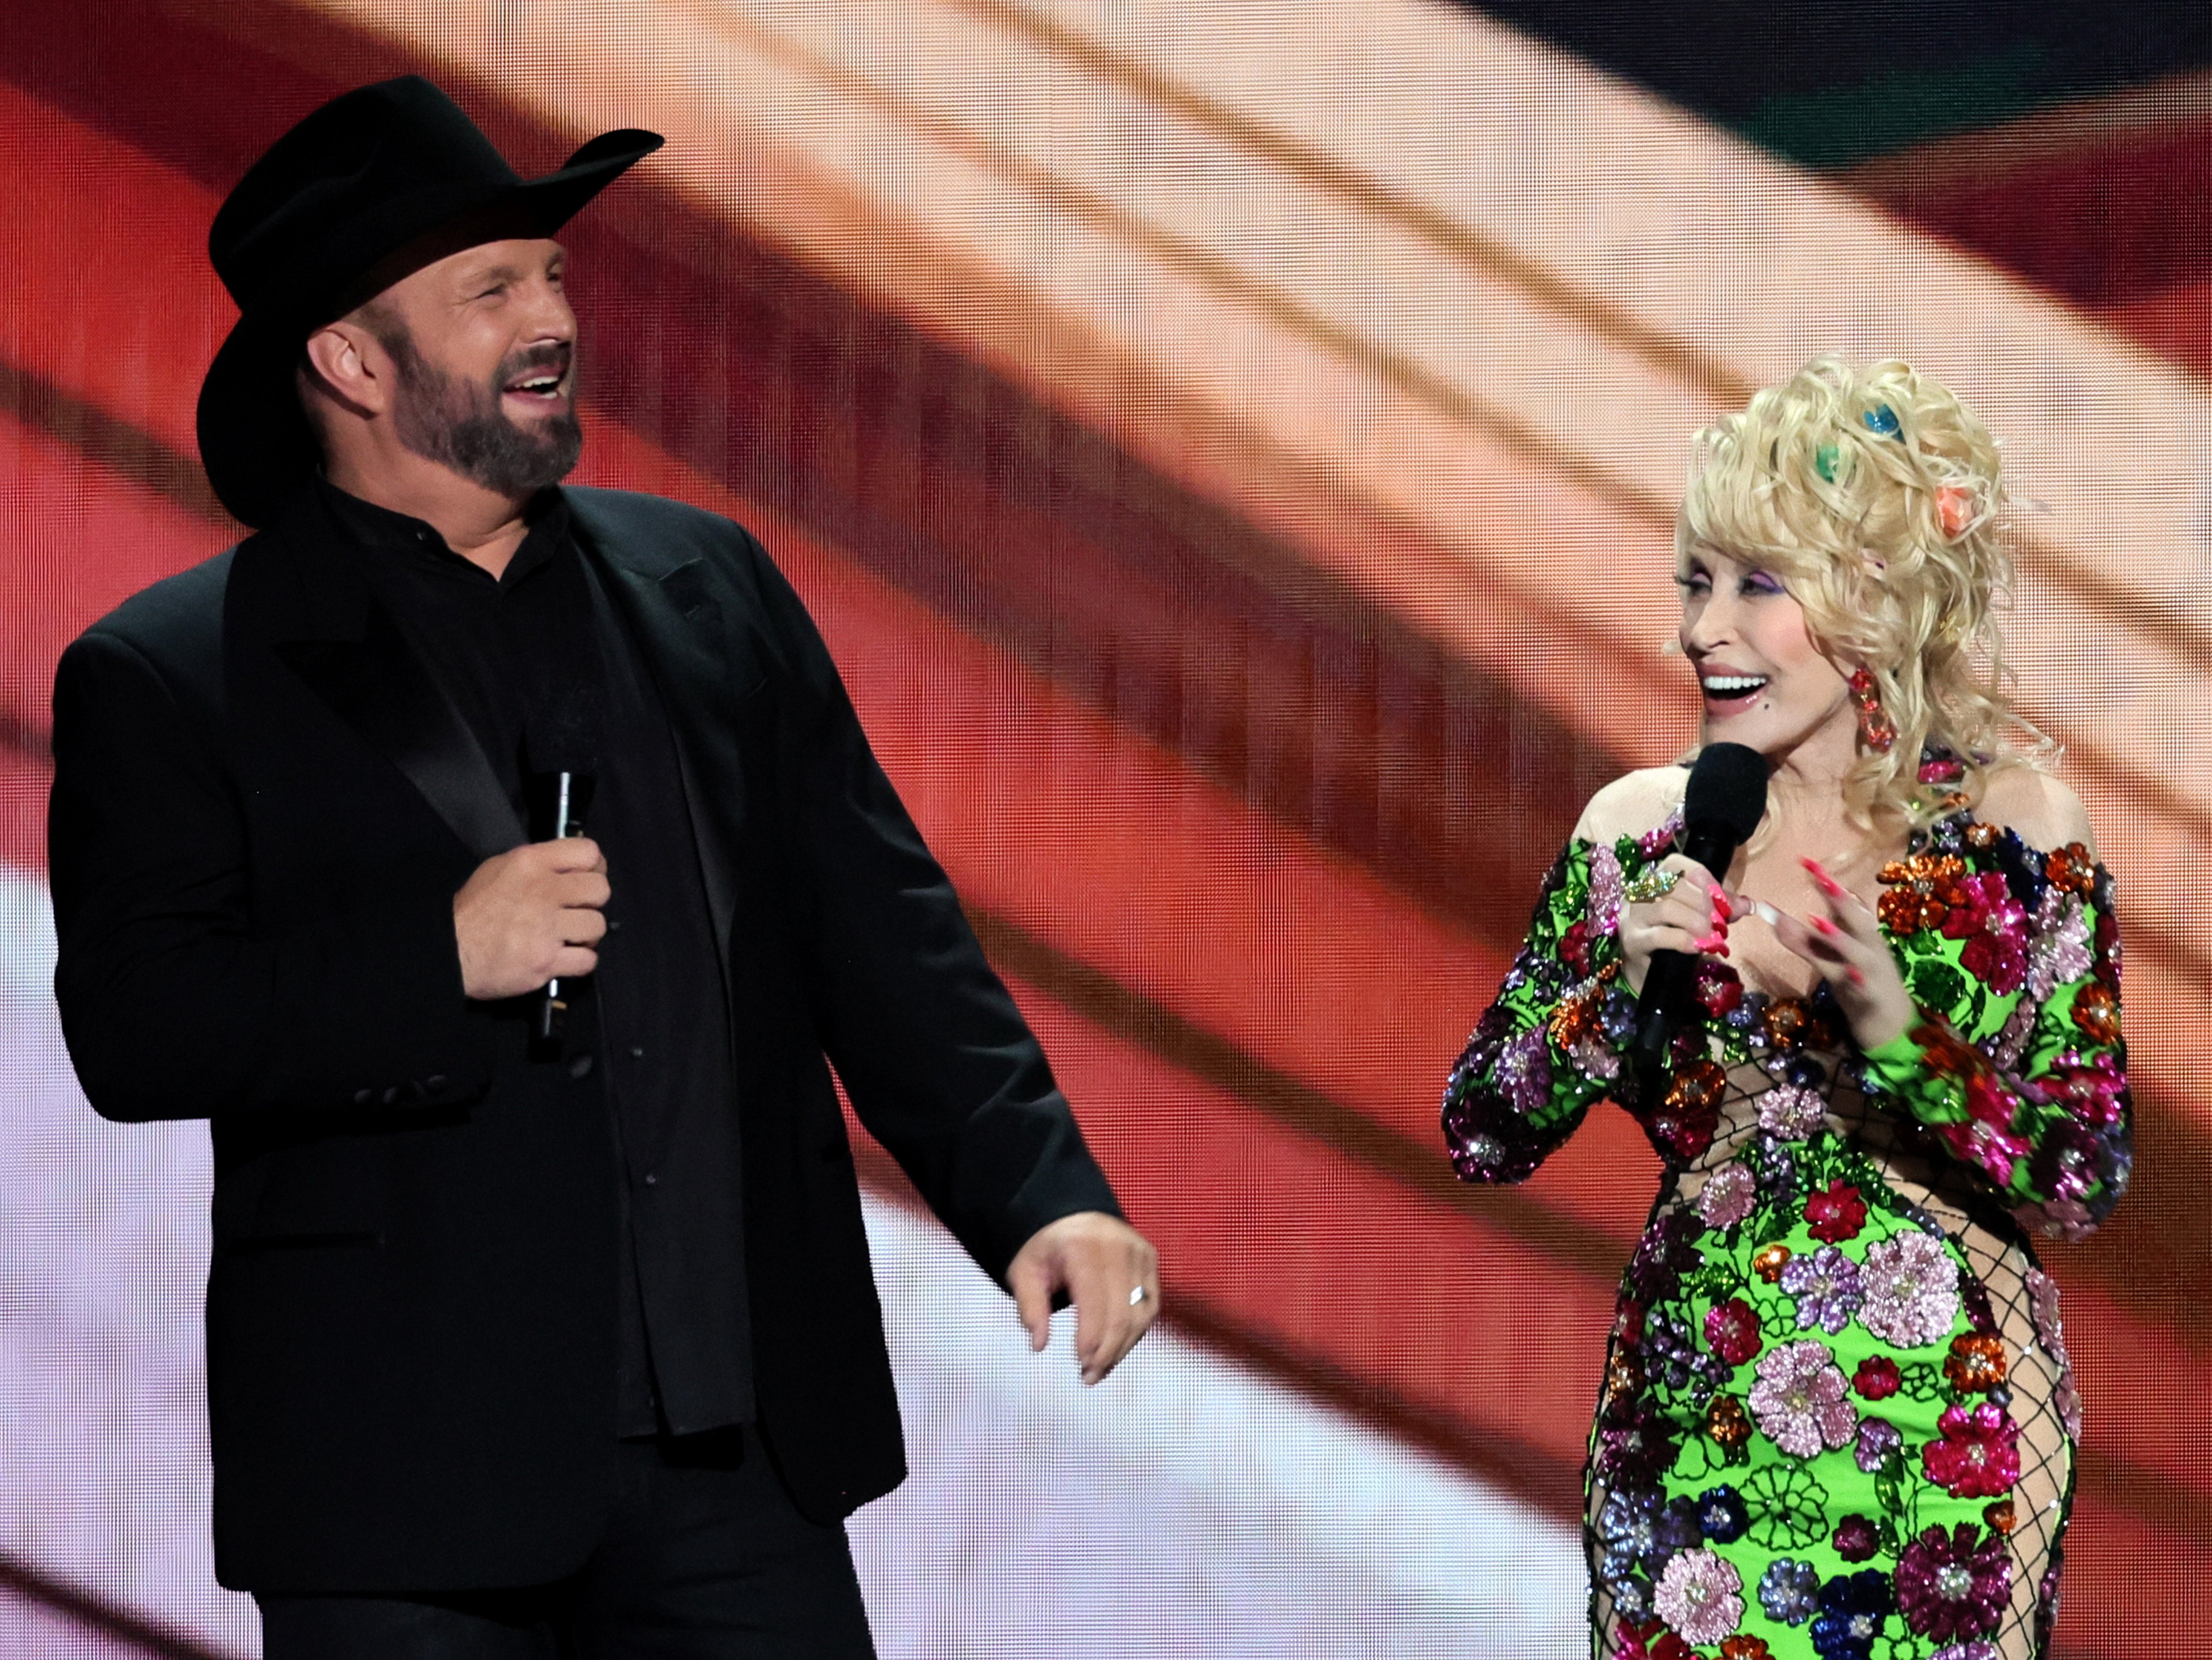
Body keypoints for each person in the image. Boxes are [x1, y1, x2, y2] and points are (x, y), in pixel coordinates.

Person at [48, 77, 1158, 1659]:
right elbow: (140, 1027)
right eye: (489, 287)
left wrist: (1039, 1193)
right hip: (406, 1495)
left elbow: (883, 930)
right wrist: (436, 959)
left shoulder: (709, 589)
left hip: (739, 1464)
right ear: (353, 360)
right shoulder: (179, 673)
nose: (548, 312)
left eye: (552, 273)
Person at [1443, 357, 2128, 1660]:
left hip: (1954, 1448)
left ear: (1875, 598)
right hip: (1695, 1443)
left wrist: (1891, 1026)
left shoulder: (2013, 837)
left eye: (1760, 585)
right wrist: (1610, 994)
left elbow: (2082, 1175)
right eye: (1696, 583)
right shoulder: (1643, 833)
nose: (1709, 629)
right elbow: (1482, 1131)